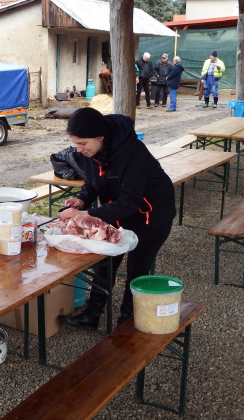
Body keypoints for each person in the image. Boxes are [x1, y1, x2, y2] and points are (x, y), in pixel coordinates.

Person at [59, 108, 177, 330]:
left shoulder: (133, 154)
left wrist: (86, 214)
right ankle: (91, 316)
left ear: (101, 136)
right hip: (117, 212)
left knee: (137, 270)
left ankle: (126, 323)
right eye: (75, 143)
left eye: (83, 143)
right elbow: (91, 183)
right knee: (105, 262)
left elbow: (130, 202)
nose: (79, 149)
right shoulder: (89, 153)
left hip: (151, 216)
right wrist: (83, 201)